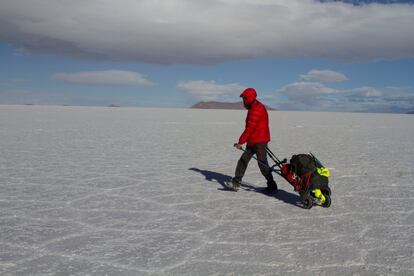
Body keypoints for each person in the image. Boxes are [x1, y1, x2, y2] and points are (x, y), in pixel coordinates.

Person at [226, 88, 278, 193]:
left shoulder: (256, 109)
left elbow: (250, 128)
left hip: (259, 141)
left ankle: (272, 185)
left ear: (249, 98)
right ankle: (236, 182)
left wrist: (241, 142)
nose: (243, 101)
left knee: (262, 164)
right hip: (253, 140)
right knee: (243, 160)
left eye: (244, 98)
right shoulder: (255, 106)